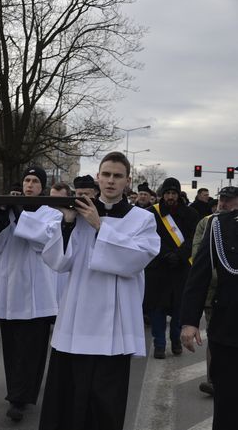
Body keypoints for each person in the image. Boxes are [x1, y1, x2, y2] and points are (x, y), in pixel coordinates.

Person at [35, 151, 160, 430]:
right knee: (69, 398)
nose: (111, 181)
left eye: (117, 176)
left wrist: (99, 225)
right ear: (98, 178)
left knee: (104, 402)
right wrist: (67, 224)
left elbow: (136, 260)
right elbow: (58, 261)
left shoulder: (142, 219)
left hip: (113, 324)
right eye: (106, 175)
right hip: (76, 318)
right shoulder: (78, 213)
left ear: (127, 181)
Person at [0, 166, 62, 422]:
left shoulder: (51, 213)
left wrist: (20, 214)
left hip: (37, 295)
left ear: (42, 186)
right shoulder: (10, 212)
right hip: (10, 292)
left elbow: (43, 240)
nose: (29, 185)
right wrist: (1, 219)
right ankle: (15, 392)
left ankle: (21, 397)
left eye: (34, 181)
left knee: (31, 350)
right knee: (12, 348)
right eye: (26, 180)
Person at [180, 186, 238, 430]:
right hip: (229, 328)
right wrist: (190, 321)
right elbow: (199, 274)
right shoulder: (218, 226)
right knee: (227, 405)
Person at [143, 178, 199, 359]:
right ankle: (159, 344)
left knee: (178, 309)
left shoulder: (191, 214)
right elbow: (148, 238)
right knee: (157, 308)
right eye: (167, 193)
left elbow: (194, 238)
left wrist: (180, 255)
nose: (170, 197)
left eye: (173, 193)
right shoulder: (152, 213)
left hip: (181, 268)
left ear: (178, 194)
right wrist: (166, 254)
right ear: (162, 195)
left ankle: (176, 341)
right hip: (158, 268)